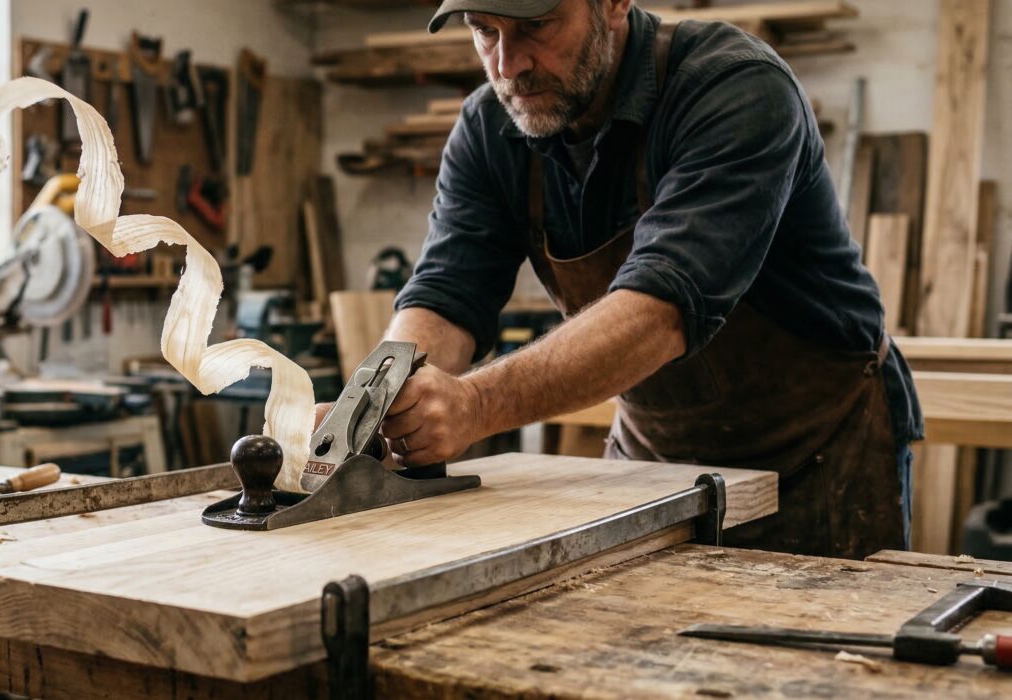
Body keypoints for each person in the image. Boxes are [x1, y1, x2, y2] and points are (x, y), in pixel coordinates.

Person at [375, 0, 922, 559]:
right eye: (486, 32)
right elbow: (447, 292)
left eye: (536, 26)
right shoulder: (490, 126)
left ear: (612, 4)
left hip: (815, 455)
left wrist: (476, 405)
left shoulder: (735, 87)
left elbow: (661, 310)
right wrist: (372, 402)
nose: (509, 66)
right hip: (653, 463)